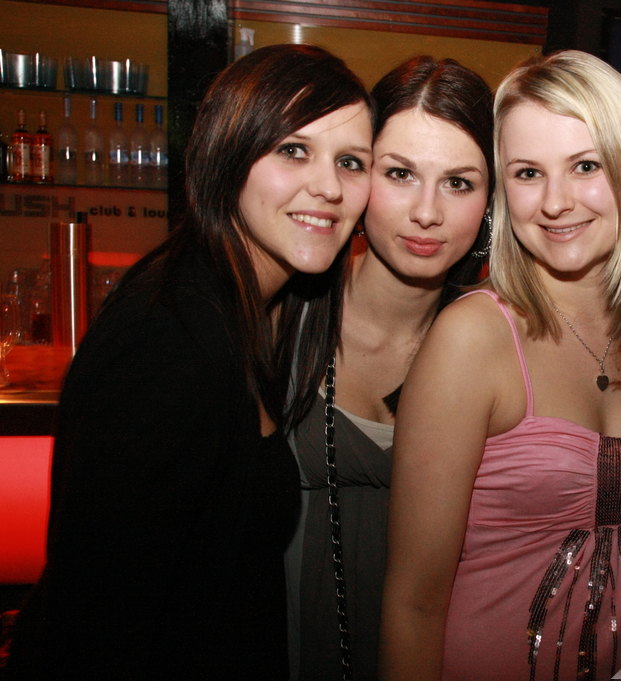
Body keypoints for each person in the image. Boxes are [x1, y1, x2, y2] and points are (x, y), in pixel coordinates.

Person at [4, 44, 373, 678]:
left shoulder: (247, 310)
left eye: (350, 161)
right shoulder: (168, 343)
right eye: (293, 150)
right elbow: (95, 627)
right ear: (228, 155)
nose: (329, 187)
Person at [380, 50, 621, 681]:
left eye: (586, 166)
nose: (556, 202)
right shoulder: (473, 338)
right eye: (528, 173)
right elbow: (413, 603)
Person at [285, 56, 493, 681]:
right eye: (400, 174)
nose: (426, 212)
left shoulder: (498, 346)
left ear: (492, 201)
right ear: (356, 173)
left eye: (459, 183)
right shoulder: (280, 316)